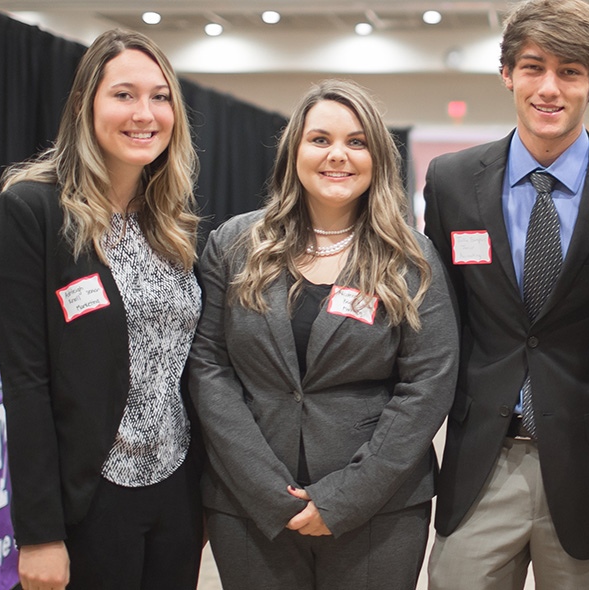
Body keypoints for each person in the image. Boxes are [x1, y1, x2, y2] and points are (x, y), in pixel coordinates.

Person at [188, 79, 458, 589]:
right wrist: (265, 488)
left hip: (379, 510)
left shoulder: (411, 258)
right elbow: (208, 365)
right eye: (320, 140)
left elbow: (427, 385)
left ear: (378, 157)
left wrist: (346, 496)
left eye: (357, 142)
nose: (338, 155)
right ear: (294, 151)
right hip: (248, 505)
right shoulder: (234, 243)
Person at [422, 1, 589, 587]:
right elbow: (441, 318)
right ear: (508, 74)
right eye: (533, 67)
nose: (549, 88)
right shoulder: (451, 180)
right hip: (481, 459)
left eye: (570, 71)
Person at [0, 29, 203, 590]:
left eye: (160, 97)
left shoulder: (170, 223)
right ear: (85, 105)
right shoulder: (33, 210)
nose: (144, 114)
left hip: (176, 493)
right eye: (124, 94)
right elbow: (26, 384)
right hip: (89, 499)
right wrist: (38, 533)